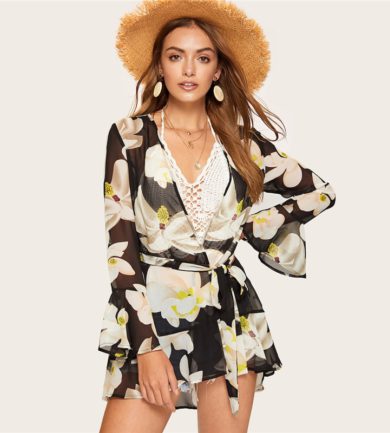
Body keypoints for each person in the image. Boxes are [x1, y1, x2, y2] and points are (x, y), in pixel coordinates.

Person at [98, 1, 337, 432]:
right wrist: (146, 347)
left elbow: (320, 191)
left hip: (227, 317)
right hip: (153, 317)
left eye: (203, 58)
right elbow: (122, 250)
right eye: (176, 56)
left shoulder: (243, 144)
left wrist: (252, 226)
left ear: (217, 71)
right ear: (160, 67)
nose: (189, 69)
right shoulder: (131, 137)